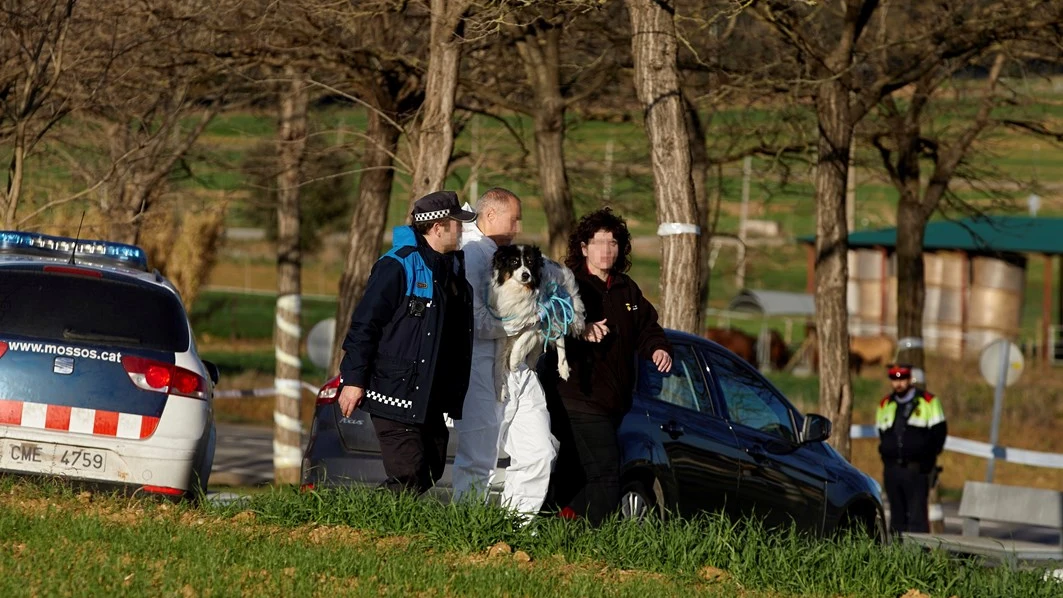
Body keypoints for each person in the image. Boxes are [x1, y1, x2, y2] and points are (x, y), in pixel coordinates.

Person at [336, 190, 475, 495]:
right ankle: (370, 530)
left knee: (431, 467)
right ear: (438, 228)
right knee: (408, 472)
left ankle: (386, 527)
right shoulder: (396, 266)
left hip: (429, 396)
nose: (462, 230)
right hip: (394, 390)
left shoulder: (451, 268)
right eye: (458, 224)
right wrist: (354, 379)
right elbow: (363, 326)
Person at [545, 207, 672, 525]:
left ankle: (555, 528)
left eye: (613, 243)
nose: (606, 249)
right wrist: (580, 327)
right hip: (577, 397)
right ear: (584, 247)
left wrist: (657, 348)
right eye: (599, 242)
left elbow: (647, 327)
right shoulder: (569, 283)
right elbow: (548, 321)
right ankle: (584, 539)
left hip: (613, 403)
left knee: (574, 474)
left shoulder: (627, 289)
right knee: (606, 478)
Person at [452, 187, 560, 521]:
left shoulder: (510, 255)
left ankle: (517, 527)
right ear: (491, 216)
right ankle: (467, 530)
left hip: (518, 366)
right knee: (479, 456)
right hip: (480, 365)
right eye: (513, 220)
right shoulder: (469, 254)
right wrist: (529, 317)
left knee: (539, 451)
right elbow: (476, 323)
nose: (516, 228)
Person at [875, 363, 947, 533]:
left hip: (917, 470)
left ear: (910, 379)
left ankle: (918, 557)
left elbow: (939, 435)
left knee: (917, 519)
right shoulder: (885, 404)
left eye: (902, 379)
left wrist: (927, 463)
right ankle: (897, 557)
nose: (898, 384)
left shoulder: (928, 402)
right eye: (894, 379)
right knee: (896, 518)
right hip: (893, 470)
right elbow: (882, 436)